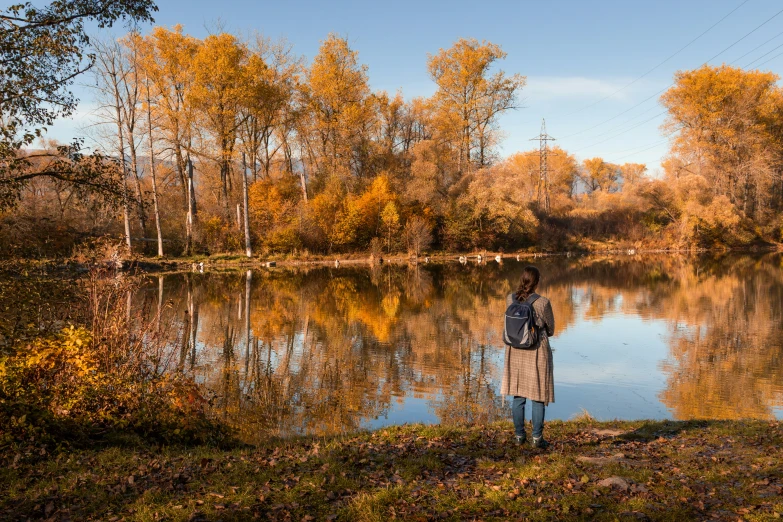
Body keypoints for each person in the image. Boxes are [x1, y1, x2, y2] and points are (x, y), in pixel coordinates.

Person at [501, 265, 555, 449]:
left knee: (518, 395)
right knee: (538, 396)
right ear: (537, 282)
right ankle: (537, 439)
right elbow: (552, 329)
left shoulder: (510, 298)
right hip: (536, 350)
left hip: (514, 350)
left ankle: (518, 436)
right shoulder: (543, 302)